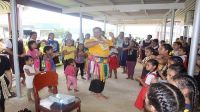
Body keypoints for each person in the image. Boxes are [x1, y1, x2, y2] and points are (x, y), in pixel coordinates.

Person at [84, 27, 112, 99]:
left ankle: (94, 90)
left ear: (101, 32)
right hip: (97, 62)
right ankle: (98, 93)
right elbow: (86, 45)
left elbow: (113, 43)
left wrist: (113, 36)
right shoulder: (91, 40)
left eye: (98, 32)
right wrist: (98, 42)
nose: (96, 33)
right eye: (95, 32)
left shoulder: (104, 39)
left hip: (104, 62)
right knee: (98, 77)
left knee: (101, 77)